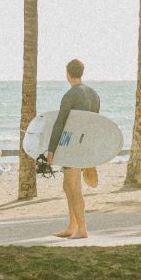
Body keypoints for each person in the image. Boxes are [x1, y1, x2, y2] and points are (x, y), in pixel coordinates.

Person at [47, 59, 101, 239]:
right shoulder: (94, 95)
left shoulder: (70, 95)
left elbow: (60, 123)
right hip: (85, 145)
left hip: (72, 148)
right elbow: (96, 122)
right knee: (68, 185)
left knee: (73, 187)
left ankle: (82, 229)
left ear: (68, 74)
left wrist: (51, 149)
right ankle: (72, 226)